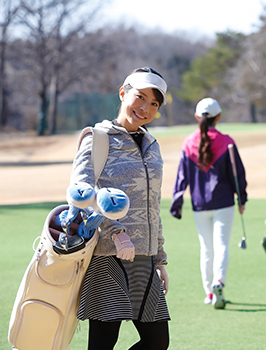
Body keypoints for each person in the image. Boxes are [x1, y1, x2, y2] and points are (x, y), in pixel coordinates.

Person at [71, 67, 170, 349]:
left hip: (144, 258)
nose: (146, 108)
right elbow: (81, 194)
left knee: (157, 342)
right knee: (103, 342)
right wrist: (116, 232)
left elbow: (153, 205)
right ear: (123, 93)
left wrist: (159, 258)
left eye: (154, 103)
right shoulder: (97, 138)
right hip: (108, 256)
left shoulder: (152, 144)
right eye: (140, 97)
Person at [170, 97, 247, 310]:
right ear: (218, 117)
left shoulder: (188, 142)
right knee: (221, 246)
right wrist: (242, 199)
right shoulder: (227, 141)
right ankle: (219, 282)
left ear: (197, 117)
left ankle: (209, 293)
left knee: (206, 249)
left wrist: (177, 203)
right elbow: (237, 174)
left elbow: (180, 176)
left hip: (199, 205)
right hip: (224, 203)